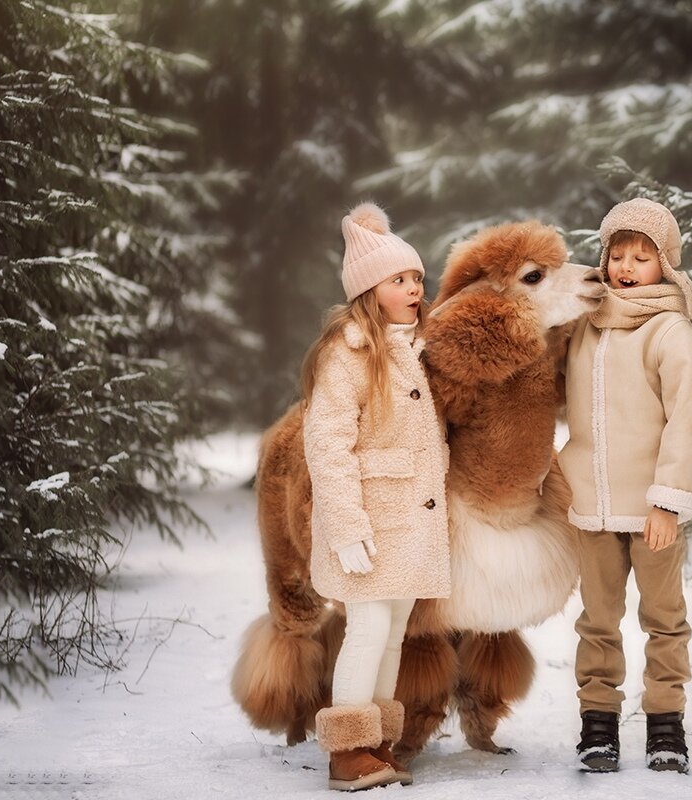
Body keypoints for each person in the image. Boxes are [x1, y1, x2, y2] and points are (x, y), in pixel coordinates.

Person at [557, 197, 692, 775]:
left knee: (663, 619)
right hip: (591, 507)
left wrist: (668, 501)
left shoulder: (672, 334)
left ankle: (665, 724)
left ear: (665, 266)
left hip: (653, 511)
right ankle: (597, 723)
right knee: (597, 621)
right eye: (617, 254)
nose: (626, 266)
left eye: (642, 257)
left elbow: (689, 421)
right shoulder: (585, 326)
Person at [300, 203, 450, 791]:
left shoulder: (416, 345)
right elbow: (327, 445)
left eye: (416, 277)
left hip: (411, 521)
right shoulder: (349, 352)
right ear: (370, 289)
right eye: (399, 280)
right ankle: (347, 751)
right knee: (366, 629)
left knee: (392, 633)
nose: (414, 287)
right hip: (369, 519)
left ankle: (377, 741)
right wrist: (346, 527)